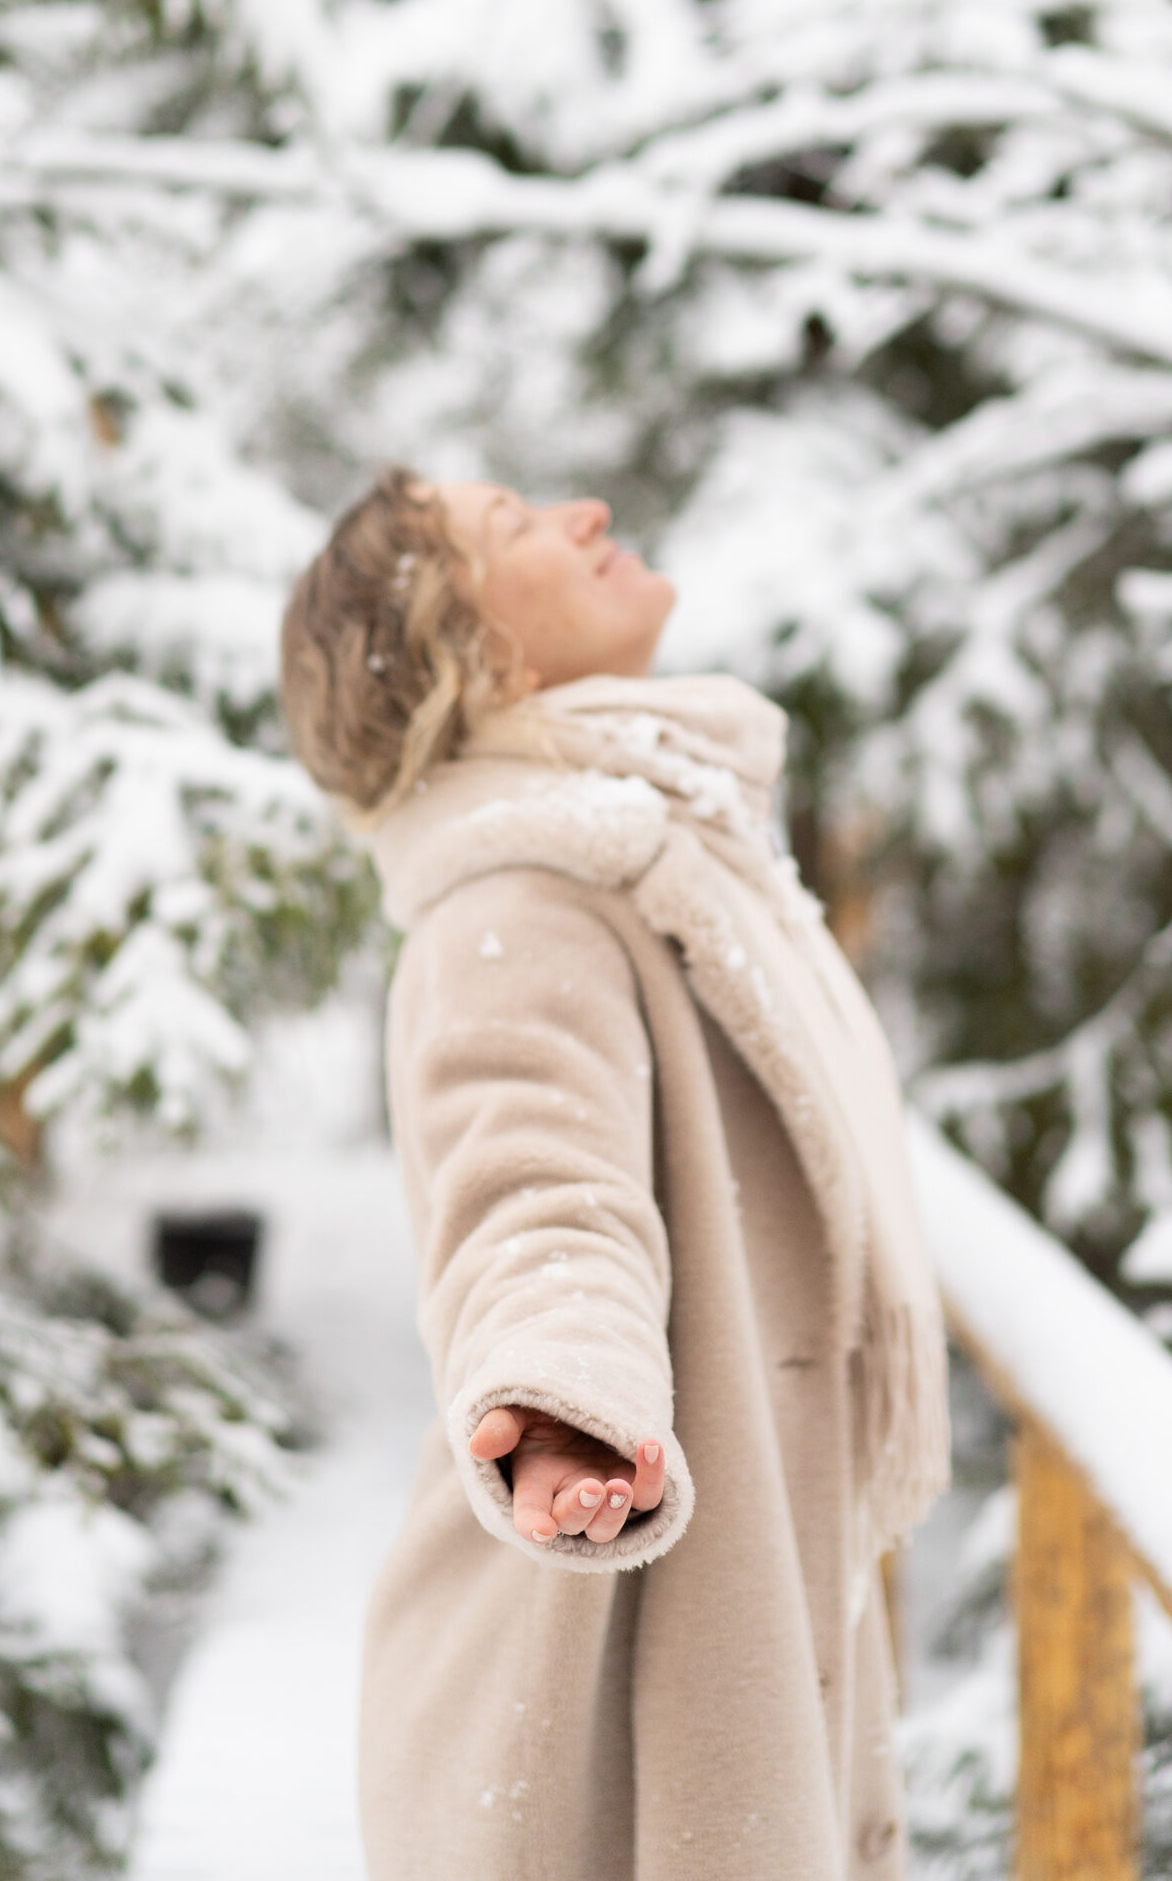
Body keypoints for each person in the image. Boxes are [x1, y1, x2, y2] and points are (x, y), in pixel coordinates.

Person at [278, 468, 949, 1881]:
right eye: (516, 526)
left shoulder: (666, 858)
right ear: (478, 658)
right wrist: (560, 1399)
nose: (582, 511)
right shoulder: (518, 900)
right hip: (581, 1674)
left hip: (739, 1580)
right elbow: (536, 1196)